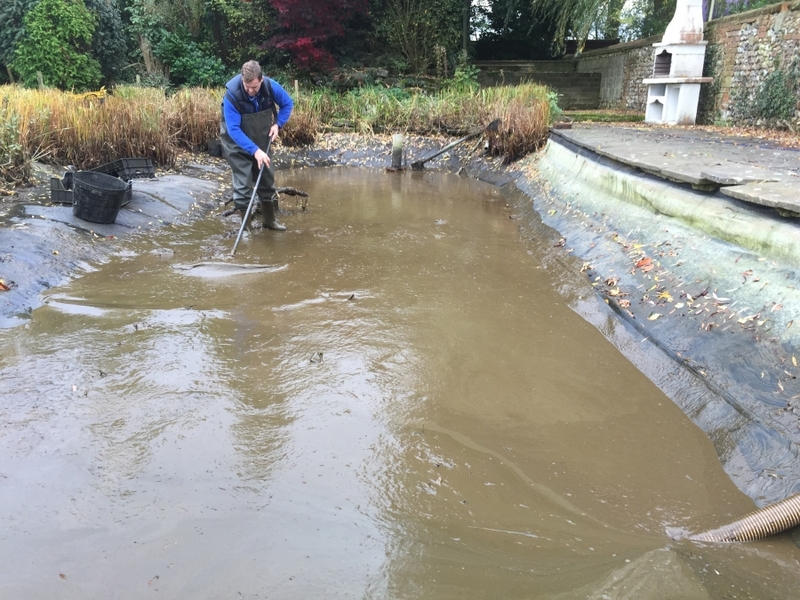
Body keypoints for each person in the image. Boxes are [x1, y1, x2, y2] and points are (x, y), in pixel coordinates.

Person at [221, 60, 293, 231]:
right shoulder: (232, 95)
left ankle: (269, 221)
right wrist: (254, 150)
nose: (250, 91)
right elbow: (233, 129)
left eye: (254, 87)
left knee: (267, 178)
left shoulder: (270, 87)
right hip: (236, 144)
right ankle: (246, 228)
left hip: (261, 138)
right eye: (247, 86)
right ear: (242, 80)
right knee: (243, 184)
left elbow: (287, 104)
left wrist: (278, 124)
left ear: (261, 79)